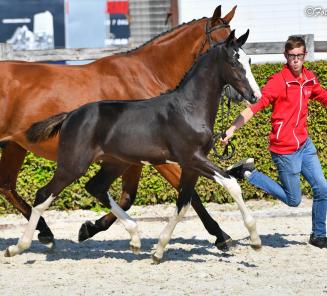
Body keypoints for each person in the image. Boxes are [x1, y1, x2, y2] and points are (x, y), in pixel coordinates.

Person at [222, 36, 327, 248]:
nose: (295, 60)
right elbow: (254, 108)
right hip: (284, 150)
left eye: (299, 56)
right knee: (293, 200)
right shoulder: (278, 82)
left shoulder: (309, 79)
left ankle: (318, 234)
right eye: (291, 56)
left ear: (304, 56)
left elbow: (323, 96)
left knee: (323, 189)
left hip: (304, 146)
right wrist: (231, 129)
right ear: (286, 56)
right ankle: (247, 173)